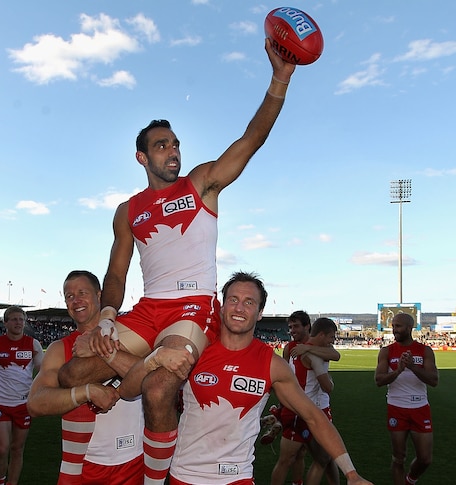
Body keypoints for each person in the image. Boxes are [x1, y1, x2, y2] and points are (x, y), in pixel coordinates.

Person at [58, 38, 297, 483]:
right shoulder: (128, 210)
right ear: (142, 157)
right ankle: (149, 362)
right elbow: (115, 272)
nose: (174, 151)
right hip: (149, 309)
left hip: (191, 308)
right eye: (163, 145)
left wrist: (279, 79)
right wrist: (108, 313)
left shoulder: (201, 183)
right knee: (72, 371)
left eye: (176, 144)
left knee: (160, 387)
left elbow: (252, 139)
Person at [165, 271, 371, 485]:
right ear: (222, 306)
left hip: (236, 476)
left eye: (249, 302)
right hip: (185, 475)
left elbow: (314, 416)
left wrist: (352, 474)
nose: (239, 308)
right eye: (233, 300)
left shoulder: (272, 365)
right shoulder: (195, 350)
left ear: (260, 312)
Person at [28, 270, 144, 485]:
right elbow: (35, 403)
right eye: (69, 296)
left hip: (134, 462)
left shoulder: (130, 333)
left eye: (82, 292)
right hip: (83, 466)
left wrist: (105, 351)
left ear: (100, 296)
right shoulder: (59, 349)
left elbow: (149, 376)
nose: (76, 300)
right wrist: (86, 391)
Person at [261, 310, 341, 485]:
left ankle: (297, 482)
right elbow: (286, 375)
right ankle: (279, 417)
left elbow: (336, 355)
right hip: (305, 408)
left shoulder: (322, 346)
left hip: (314, 406)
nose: (291, 330)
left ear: (307, 326)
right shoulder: (290, 348)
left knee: (317, 457)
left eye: (295, 326)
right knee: (317, 458)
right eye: (289, 327)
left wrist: (308, 347)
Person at [0, 306, 43, 485]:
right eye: (14, 319)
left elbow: (44, 372)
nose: (18, 323)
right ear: (5, 322)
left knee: (17, 449)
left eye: (21, 319)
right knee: (1, 449)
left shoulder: (33, 344)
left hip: (24, 405)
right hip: (0, 404)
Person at [374, 312, 439, 485]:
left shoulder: (424, 350)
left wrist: (412, 367)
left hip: (420, 408)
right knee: (398, 458)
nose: (394, 329)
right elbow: (379, 380)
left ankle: (410, 479)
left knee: (425, 459)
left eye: (398, 326)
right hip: (396, 408)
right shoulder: (386, 351)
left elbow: (434, 380)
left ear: (410, 328)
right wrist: (398, 370)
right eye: (393, 326)